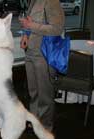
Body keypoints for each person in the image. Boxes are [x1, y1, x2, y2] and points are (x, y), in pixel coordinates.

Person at [19, 0, 65, 131]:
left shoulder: (52, 2)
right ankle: (35, 121)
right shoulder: (33, 1)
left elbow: (57, 28)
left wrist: (31, 25)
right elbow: (28, 23)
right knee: (33, 92)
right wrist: (25, 35)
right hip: (30, 52)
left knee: (45, 93)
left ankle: (45, 127)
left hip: (44, 54)